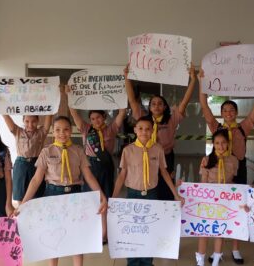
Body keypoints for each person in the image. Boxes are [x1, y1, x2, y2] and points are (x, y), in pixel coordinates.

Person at [198, 67, 254, 264]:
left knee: (237, 209)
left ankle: (235, 248)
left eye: (232, 110)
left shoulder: (243, 127)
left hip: (237, 170)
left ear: (237, 112)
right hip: (217, 171)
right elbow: (204, 107)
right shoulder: (217, 128)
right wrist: (201, 83)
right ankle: (216, 251)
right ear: (221, 113)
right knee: (217, 209)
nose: (228, 113)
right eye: (225, 110)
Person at [17, 115, 108, 266]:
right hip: (53, 196)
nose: (62, 133)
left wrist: (102, 196)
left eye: (66, 129)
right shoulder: (47, 151)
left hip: (75, 196)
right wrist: (24, 203)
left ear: (71, 131)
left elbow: (89, 176)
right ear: (53, 131)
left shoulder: (78, 151)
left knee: (76, 235)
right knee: (53, 234)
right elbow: (36, 179)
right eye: (58, 130)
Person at [112, 115, 185, 266]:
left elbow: (164, 173)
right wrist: (114, 197)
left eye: (147, 129)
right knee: (132, 232)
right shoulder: (128, 150)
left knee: (149, 231)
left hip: (151, 195)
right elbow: (122, 175)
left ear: (153, 131)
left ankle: (147, 262)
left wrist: (175, 194)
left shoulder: (157, 149)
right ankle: (132, 262)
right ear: (135, 130)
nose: (144, 132)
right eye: (140, 128)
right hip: (133, 195)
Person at [124, 63, 196, 200]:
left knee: (166, 187)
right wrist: (127, 78)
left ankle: (166, 212)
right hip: (145, 155)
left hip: (166, 157)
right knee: (149, 184)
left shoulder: (171, 119)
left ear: (164, 107)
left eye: (160, 103)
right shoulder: (143, 120)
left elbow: (184, 102)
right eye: (153, 103)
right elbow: (132, 100)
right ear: (149, 107)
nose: (156, 106)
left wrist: (193, 80)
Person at [66, 86, 126, 242]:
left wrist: (121, 94)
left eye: (98, 118)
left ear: (104, 117)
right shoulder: (86, 129)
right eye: (92, 119)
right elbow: (74, 113)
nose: (95, 121)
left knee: (105, 197)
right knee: (90, 198)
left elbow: (121, 112)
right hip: (89, 167)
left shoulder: (111, 129)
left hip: (106, 166)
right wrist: (69, 95)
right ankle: (90, 231)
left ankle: (104, 234)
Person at [0, 85, 54, 203]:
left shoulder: (42, 132)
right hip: (20, 166)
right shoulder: (17, 131)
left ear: (38, 121)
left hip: (37, 165)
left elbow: (49, 115)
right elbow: (5, 115)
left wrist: (53, 99)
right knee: (21, 197)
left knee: (37, 197)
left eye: (34, 121)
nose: (30, 124)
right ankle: (21, 217)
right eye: (27, 121)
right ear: (23, 121)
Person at [196, 129, 239, 266]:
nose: (220, 146)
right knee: (205, 231)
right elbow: (203, 182)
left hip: (225, 200)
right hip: (209, 199)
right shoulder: (207, 160)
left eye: (223, 143)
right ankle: (201, 260)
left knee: (220, 230)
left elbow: (232, 181)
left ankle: (215, 261)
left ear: (228, 144)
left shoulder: (233, 160)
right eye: (217, 143)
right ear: (213, 144)